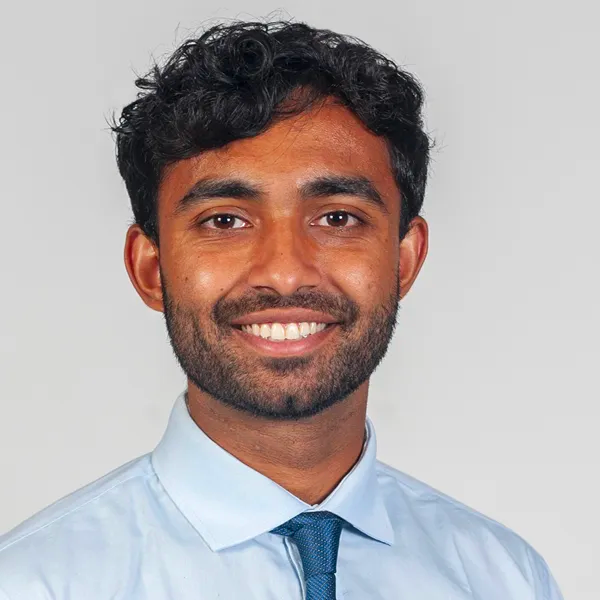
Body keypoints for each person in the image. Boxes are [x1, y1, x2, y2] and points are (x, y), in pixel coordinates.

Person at [0, 20, 563, 600]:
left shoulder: (506, 579)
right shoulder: (32, 584)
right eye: (225, 221)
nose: (285, 272)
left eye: (338, 218)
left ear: (405, 259)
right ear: (151, 268)